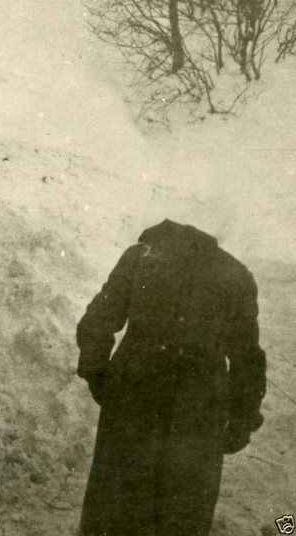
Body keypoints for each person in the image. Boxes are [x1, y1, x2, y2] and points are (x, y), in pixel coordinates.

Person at [76, 220, 266, 536]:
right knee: (182, 512)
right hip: (198, 412)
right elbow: (248, 358)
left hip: (133, 399)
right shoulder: (236, 275)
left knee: (115, 508)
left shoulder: (140, 257)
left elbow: (97, 322)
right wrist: (243, 417)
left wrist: (99, 376)